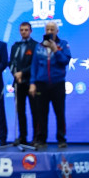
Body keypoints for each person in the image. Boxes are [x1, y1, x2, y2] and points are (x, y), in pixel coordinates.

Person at [30, 21, 71, 149]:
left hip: (57, 84)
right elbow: (34, 66)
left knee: (60, 113)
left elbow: (65, 60)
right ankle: (41, 139)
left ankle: (61, 139)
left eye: (52, 29)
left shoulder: (63, 44)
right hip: (41, 84)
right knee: (41, 113)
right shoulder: (39, 46)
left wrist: (55, 50)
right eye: (47, 29)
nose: (49, 31)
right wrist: (32, 83)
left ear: (57, 31)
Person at [10, 22, 38, 146]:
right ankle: (22, 137)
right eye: (21, 30)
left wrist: (22, 73)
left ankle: (36, 137)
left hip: (31, 82)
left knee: (35, 111)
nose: (24, 32)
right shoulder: (15, 46)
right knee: (20, 111)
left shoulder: (36, 45)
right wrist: (16, 74)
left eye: (26, 30)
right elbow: (11, 63)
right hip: (18, 83)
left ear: (30, 31)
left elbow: (35, 64)